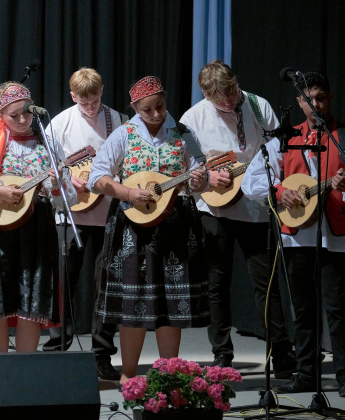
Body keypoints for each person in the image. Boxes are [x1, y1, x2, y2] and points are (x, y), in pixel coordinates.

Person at [241, 72, 345, 397]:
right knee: (302, 309)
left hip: (338, 236)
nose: (315, 105)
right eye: (309, 99)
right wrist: (278, 191)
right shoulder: (285, 138)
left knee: (337, 307)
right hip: (296, 235)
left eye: (321, 98)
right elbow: (250, 182)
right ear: (299, 102)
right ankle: (305, 373)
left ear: (330, 97)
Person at [87, 76, 210, 385]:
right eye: (147, 110)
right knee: (133, 303)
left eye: (160, 107)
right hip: (133, 227)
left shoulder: (183, 134)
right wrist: (128, 193)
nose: (156, 114)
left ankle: (169, 375)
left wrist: (199, 180)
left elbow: (202, 174)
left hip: (176, 225)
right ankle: (129, 374)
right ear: (134, 108)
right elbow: (97, 178)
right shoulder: (123, 135)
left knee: (171, 304)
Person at [179, 60, 296, 377]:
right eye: (221, 98)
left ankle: (281, 353)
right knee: (217, 284)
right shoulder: (192, 119)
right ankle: (221, 354)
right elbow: (186, 168)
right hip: (214, 210)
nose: (230, 101)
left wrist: (258, 179)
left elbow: (277, 153)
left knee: (266, 284)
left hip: (255, 208)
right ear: (206, 94)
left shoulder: (259, 106)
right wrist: (205, 177)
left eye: (232, 92)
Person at [0, 82, 75, 353]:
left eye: (27, 113)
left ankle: (25, 370)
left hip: (37, 229)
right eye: (14, 115)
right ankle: (0, 368)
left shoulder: (47, 142)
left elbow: (67, 195)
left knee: (31, 301)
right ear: (0, 113)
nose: (22, 119)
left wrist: (57, 185)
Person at [41, 67, 125, 380]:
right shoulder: (60, 123)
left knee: (107, 284)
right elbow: (46, 167)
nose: (90, 107)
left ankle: (102, 355)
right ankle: (56, 350)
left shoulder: (117, 121)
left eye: (95, 100)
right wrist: (67, 178)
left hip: (108, 214)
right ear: (72, 95)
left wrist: (108, 181)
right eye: (84, 102)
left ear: (102, 91)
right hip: (69, 213)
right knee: (63, 282)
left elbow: (126, 163)